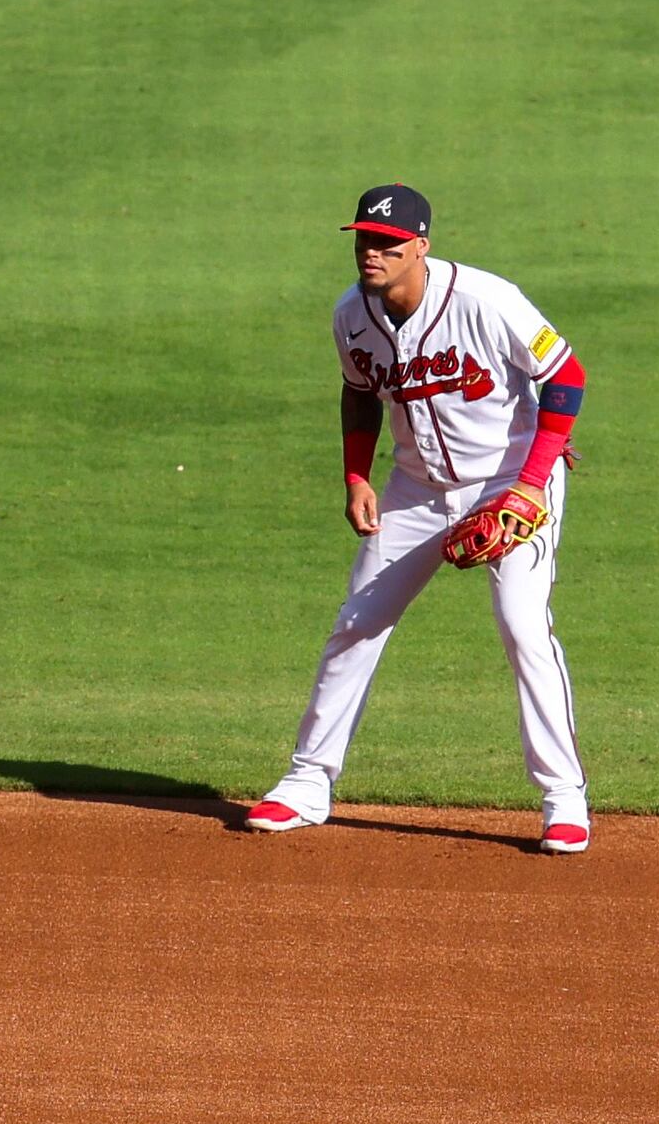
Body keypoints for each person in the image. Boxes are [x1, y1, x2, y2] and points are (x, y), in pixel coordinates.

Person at [243, 185, 593, 853]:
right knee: (357, 622)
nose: (371, 252)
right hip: (415, 487)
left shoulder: (485, 300)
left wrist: (529, 485)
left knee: (523, 625)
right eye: (364, 239)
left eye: (388, 243)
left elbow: (566, 374)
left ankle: (563, 797)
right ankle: (307, 782)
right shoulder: (350, 314)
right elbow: (358, 392)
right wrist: (354, 474)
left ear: (421, 246)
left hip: (510, 481)